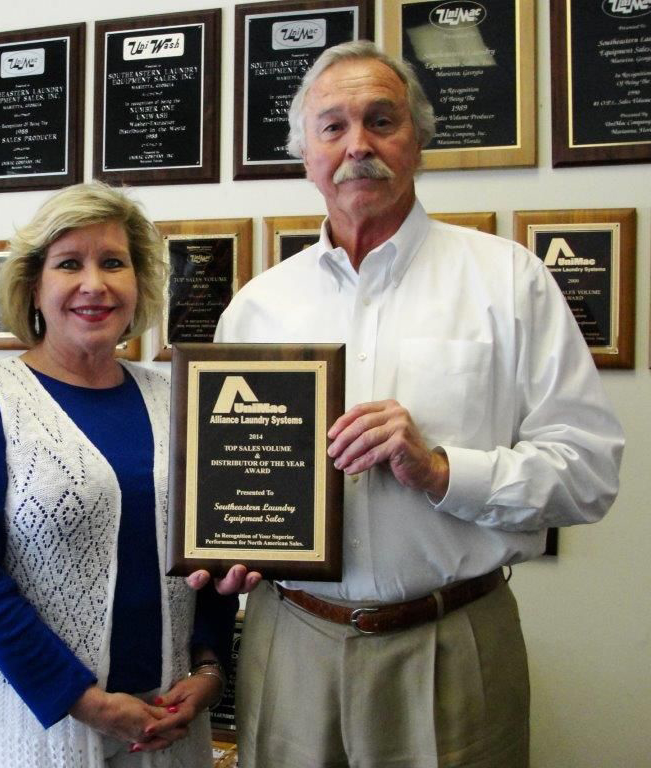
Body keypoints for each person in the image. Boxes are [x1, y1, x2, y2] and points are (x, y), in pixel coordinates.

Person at [189, 41, 624, 767]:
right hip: (289, 641)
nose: (357, 144)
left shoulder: (509, 282)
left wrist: (442, 470)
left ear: (418, 139)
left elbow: (587, 473)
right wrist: (235, 548)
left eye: (381, 120)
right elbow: (237, 484)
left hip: (449, 642)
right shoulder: (257, 308)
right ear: (305, 154)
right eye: (333, 127)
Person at [0, 182, 237, 768]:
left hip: (169, 726)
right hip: (38, 732)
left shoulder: (175, 399)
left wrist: (211, 669)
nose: (94, 283)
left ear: (138, 283)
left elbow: (213, 548)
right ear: (34, 287)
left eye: (113, 263)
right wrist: (82, 700)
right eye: (70, 263)